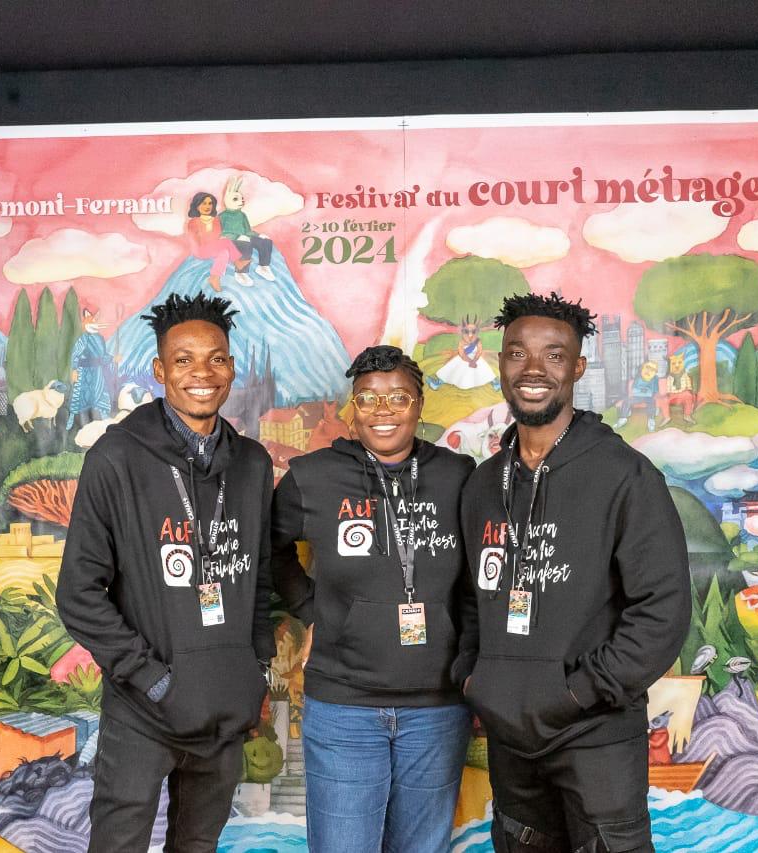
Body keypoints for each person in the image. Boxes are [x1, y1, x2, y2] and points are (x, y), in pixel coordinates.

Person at [454, 293, 691, 853]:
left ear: (578, 368)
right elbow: (469, 597)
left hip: (596, 736)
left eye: (554, 355)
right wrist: (475, 678)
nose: (533, 369)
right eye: (518, 353)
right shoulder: (484, 483)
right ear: (501, 363)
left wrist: (577, 692)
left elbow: (662, 611)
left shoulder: (625, 476)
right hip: (512, 744)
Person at [57, 292, 276, 853]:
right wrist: (152, 678)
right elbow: (79, 594)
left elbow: (259, 578)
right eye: (184, 360)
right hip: (144, 709)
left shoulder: (253, 464)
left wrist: (254, 670)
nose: (202, 373)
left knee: (197, 845)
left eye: (216, 358)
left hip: (224, 706)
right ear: (159, 370)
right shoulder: (116, 458)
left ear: (232, 367)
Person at [272, 345, 476, 853]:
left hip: (437, 709)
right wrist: (309, 611)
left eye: (398, 397)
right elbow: (268, 551)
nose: (383, 410)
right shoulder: (312, 477)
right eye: (367, 398)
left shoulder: (458, 475)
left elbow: (478, 579)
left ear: (419, 404)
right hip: (344, 707)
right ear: (352, 408)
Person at [66, 303, 119, 432]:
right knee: (79, 397)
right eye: (92, 321)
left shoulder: (99, 339)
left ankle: (105, 418)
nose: (95, 323)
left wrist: (113, 359)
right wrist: (74, 370)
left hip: (98, 373)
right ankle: (72, 419)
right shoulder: (83, 339)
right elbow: (75, 355)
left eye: (96, 321)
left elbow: (103, 356)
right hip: (84, 373)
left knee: (101, 394)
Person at [186, 191, 251, 291]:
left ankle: (215, 278)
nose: (207, 206)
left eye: (210, 203)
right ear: (197, 205)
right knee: (226, 242)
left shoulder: (216, 220)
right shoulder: (193, 222)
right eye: (204, 203)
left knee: (224, 252)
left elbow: (217, 236)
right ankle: (238, 262)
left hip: (213, 248)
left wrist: (216, 240)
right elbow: (197, 241)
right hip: (200, 250)